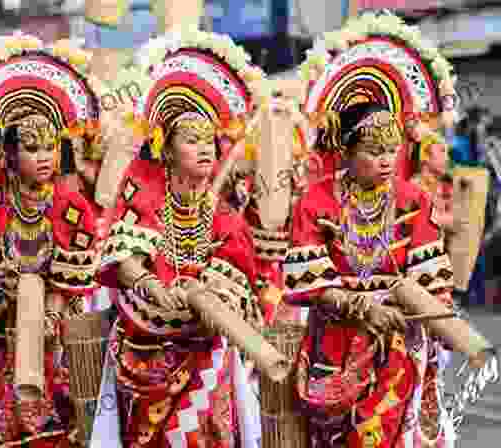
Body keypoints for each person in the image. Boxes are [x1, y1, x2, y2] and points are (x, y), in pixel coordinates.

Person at [289, 12, 498, 447]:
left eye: (391, 150)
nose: (385, 160)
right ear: (344, 150)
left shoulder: (410, 198)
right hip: (338, 338)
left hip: (400, 338)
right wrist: (362, 306)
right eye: (372, 150)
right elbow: (311, 281)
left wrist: (439, 321)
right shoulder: (317, 200)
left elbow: (428, 269)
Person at [93, 30, 270, 448]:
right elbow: (125, 258)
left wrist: (210, 291)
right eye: (192, 141)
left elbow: (238, 277)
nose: (206, 150)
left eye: (210, 140)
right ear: (167, 149)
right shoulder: (144, 192)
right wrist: (151, 284)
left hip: (204, 345)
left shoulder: (224, 215)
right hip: (146, 342)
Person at [0, 35, 104, 446]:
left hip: (60, 326)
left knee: (64, 420)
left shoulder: (72, 203)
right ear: (7, 153)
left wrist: (50, 315)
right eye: (32, 147)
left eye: (51, 147)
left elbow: (73, 275)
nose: (45, 157)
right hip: (3, 324)